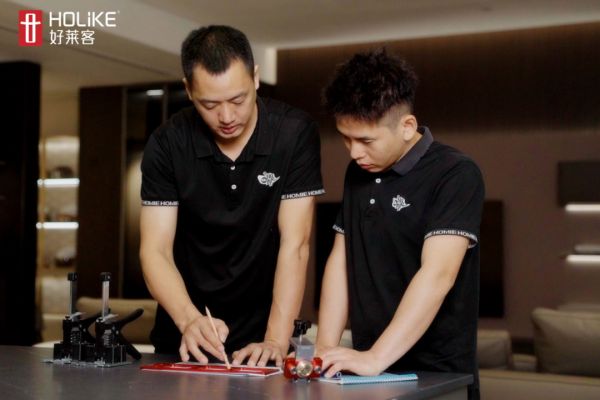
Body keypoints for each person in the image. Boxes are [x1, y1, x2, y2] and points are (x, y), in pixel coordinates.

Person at [139, 25, 324, 368]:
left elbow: (295, 245)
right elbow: (155, 249)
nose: (226, 117)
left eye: (237, 100)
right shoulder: (167, 143)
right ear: (188, 90)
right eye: (209, 104)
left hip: (262, 338)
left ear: (256, 78)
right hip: (185, 334)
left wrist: (275, 339)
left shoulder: (293, 134)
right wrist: (188, 319)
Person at [316, 49, 484, 399]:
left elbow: (438, 274)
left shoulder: (456, 173)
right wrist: (323, 351)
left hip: (438, 375)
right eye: (346, 138)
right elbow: (341, 261)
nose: (354, 153)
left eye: (366, 141)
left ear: (407, 127)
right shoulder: (359, 172)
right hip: (367, 373)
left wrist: (376, 357)